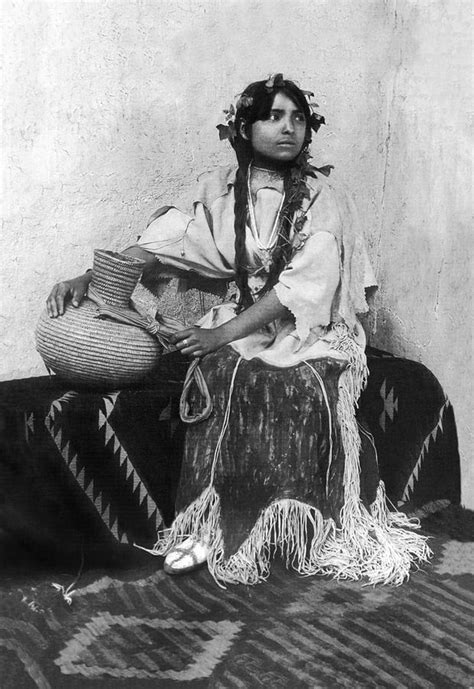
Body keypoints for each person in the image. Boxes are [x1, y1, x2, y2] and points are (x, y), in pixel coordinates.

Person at [47, 74, 430, 587]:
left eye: (297, 118)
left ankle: (300, 525)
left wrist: (220, 335)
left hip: (308, 326)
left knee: (289, 381)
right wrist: (89, 278)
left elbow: (304, 288)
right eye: (273, 117)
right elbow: (166, 244)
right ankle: (214, 524)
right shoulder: (220, 189)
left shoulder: (322, 196)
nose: (287, 128)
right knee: (220, 373)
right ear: (243, 128)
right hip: (246, 318)